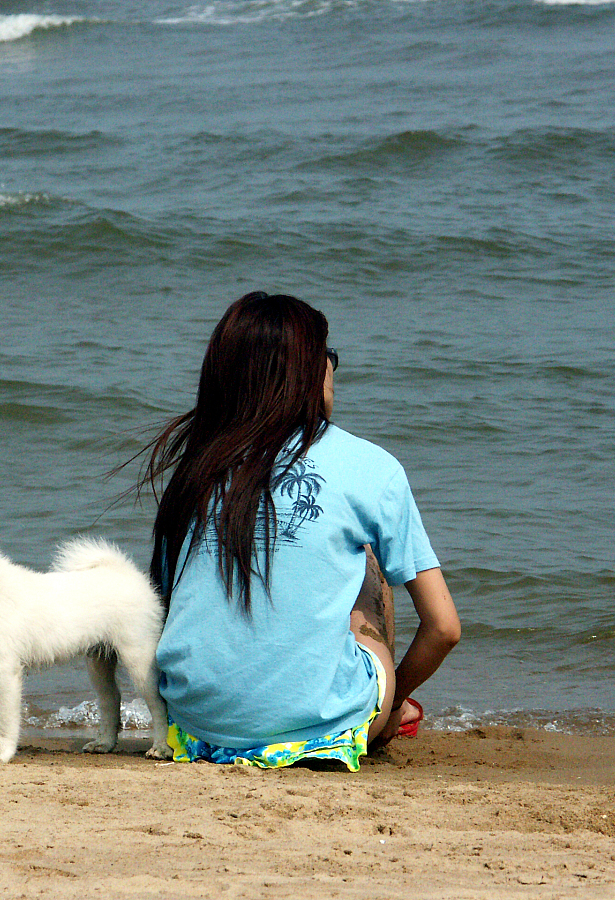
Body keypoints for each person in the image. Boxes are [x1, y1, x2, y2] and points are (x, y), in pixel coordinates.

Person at [141, 291, 460, 770]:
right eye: (328, 356)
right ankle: (380, 714)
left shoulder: (196, 467)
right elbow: (444, 628)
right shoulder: (371, 466)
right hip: (319, 731)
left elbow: (163, 607)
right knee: (365, 553)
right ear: (308, 371)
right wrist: (394, 697)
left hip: (194, 729)